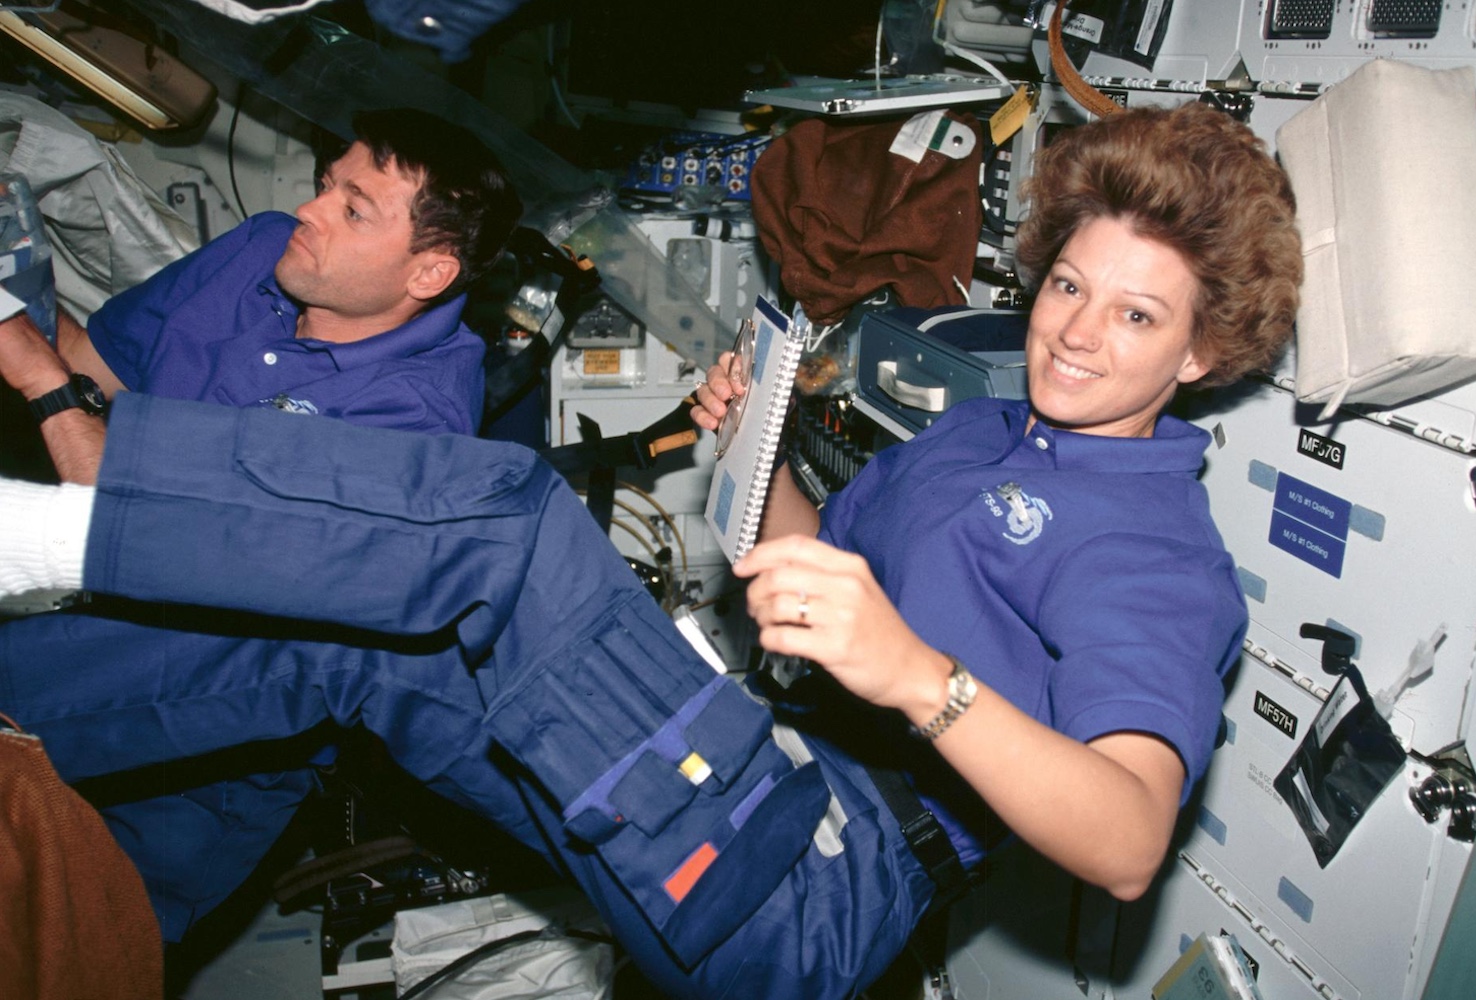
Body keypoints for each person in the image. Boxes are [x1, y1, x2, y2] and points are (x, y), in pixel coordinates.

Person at [0, 101, 1301, 998]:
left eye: (1135, 315)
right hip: (749, 762)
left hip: (813, 881)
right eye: (1068, 287)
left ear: (1198, 353)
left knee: (504, 517)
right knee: (353, 642)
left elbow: (1128, 836)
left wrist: (920, 676)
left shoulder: (1154, 550)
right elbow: (800, 568)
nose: (1075, 334)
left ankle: (78, 515)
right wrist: (764, 455)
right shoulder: (977, 441)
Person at [0, 106, 523, 941]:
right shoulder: (262, 251)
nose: (310, 212)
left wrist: (33, 376)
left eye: (353, 210)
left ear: (428, 273)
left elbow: (157, 542)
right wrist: (15, 285)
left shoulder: (415, 427)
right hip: (69, 625)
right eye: (327, 186)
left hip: (198, 761)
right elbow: (93, 372)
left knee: (59, 952)